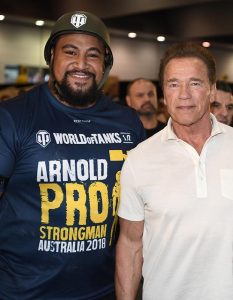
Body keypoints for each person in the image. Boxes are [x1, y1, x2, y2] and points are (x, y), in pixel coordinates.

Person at [0, 11, 145, 300]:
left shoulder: (128, 123)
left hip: (105, 290)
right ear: (51, 55)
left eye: (93, 55)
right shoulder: (13, 117)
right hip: (25, 292)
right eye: (70, 52)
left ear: (105, 63)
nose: (81, 64)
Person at [116, 42, 233, 300]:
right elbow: (130, 245)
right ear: (163, 93)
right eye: (173, 84)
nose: (183, 94)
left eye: (195, 83)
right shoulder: (138, 160)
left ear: (212, 90)